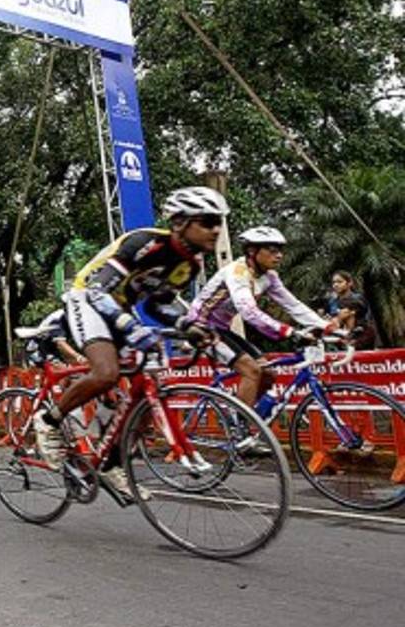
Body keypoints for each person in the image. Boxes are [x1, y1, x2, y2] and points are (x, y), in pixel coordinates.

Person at [34, 186, 225, 502]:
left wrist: (188, 326)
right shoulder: (146, 243)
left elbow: (157, 305)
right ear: (179, 222)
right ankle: (48, 420)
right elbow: (97, 292)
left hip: (120, 308)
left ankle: (110, 464)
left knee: (146, 395)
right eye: (206, 221)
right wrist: (131, 328)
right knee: (106, 372)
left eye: (218, 221)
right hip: (87, 299)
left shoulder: (191, 265)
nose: (215, 229)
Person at [184, 226, 330, 415]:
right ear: (252, 251)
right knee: (252, 371)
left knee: (268, 374)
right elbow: (249, 311)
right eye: (272, 249)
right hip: (200, 326)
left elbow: (292, 304)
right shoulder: (237, 273)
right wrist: (288, 332)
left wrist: (326, 326)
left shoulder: (269, 277)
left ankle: (248, 417)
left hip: (222, 328)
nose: (279, 255)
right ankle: (241, 428)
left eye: (280, 250)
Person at [323, 270, 376, 349]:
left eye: (339, 282)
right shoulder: (332, 301)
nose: (335, 285)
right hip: (342, 336)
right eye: (333, 282)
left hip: (360, 336)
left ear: (349, 283)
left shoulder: (357, 299)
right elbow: (334, 319)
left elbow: (350, 316)